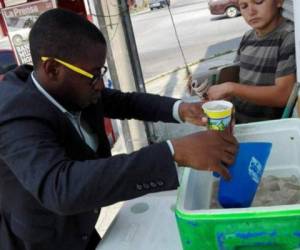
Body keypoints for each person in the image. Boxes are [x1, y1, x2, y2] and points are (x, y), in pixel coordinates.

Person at [0, 8, 238, 250]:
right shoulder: (13, 114)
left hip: (81, 230)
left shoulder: (73, 88)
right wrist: (173, 152)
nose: (100, 84)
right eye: (93, 75)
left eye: (101, 72)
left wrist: (183, 109)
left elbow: (125, 102)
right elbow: (61, 187)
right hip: (39, 241)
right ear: (52, 69)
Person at [194, 0, 296, 123]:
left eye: (258, 2)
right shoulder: (248, 37)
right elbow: (240, 79)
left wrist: (230, 88)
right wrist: (218, 95)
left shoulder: (289, 37)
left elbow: (283, 95)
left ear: (279, 1)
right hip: (236, 121)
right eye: (244, 6)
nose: (251, 12)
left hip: (264, 128)